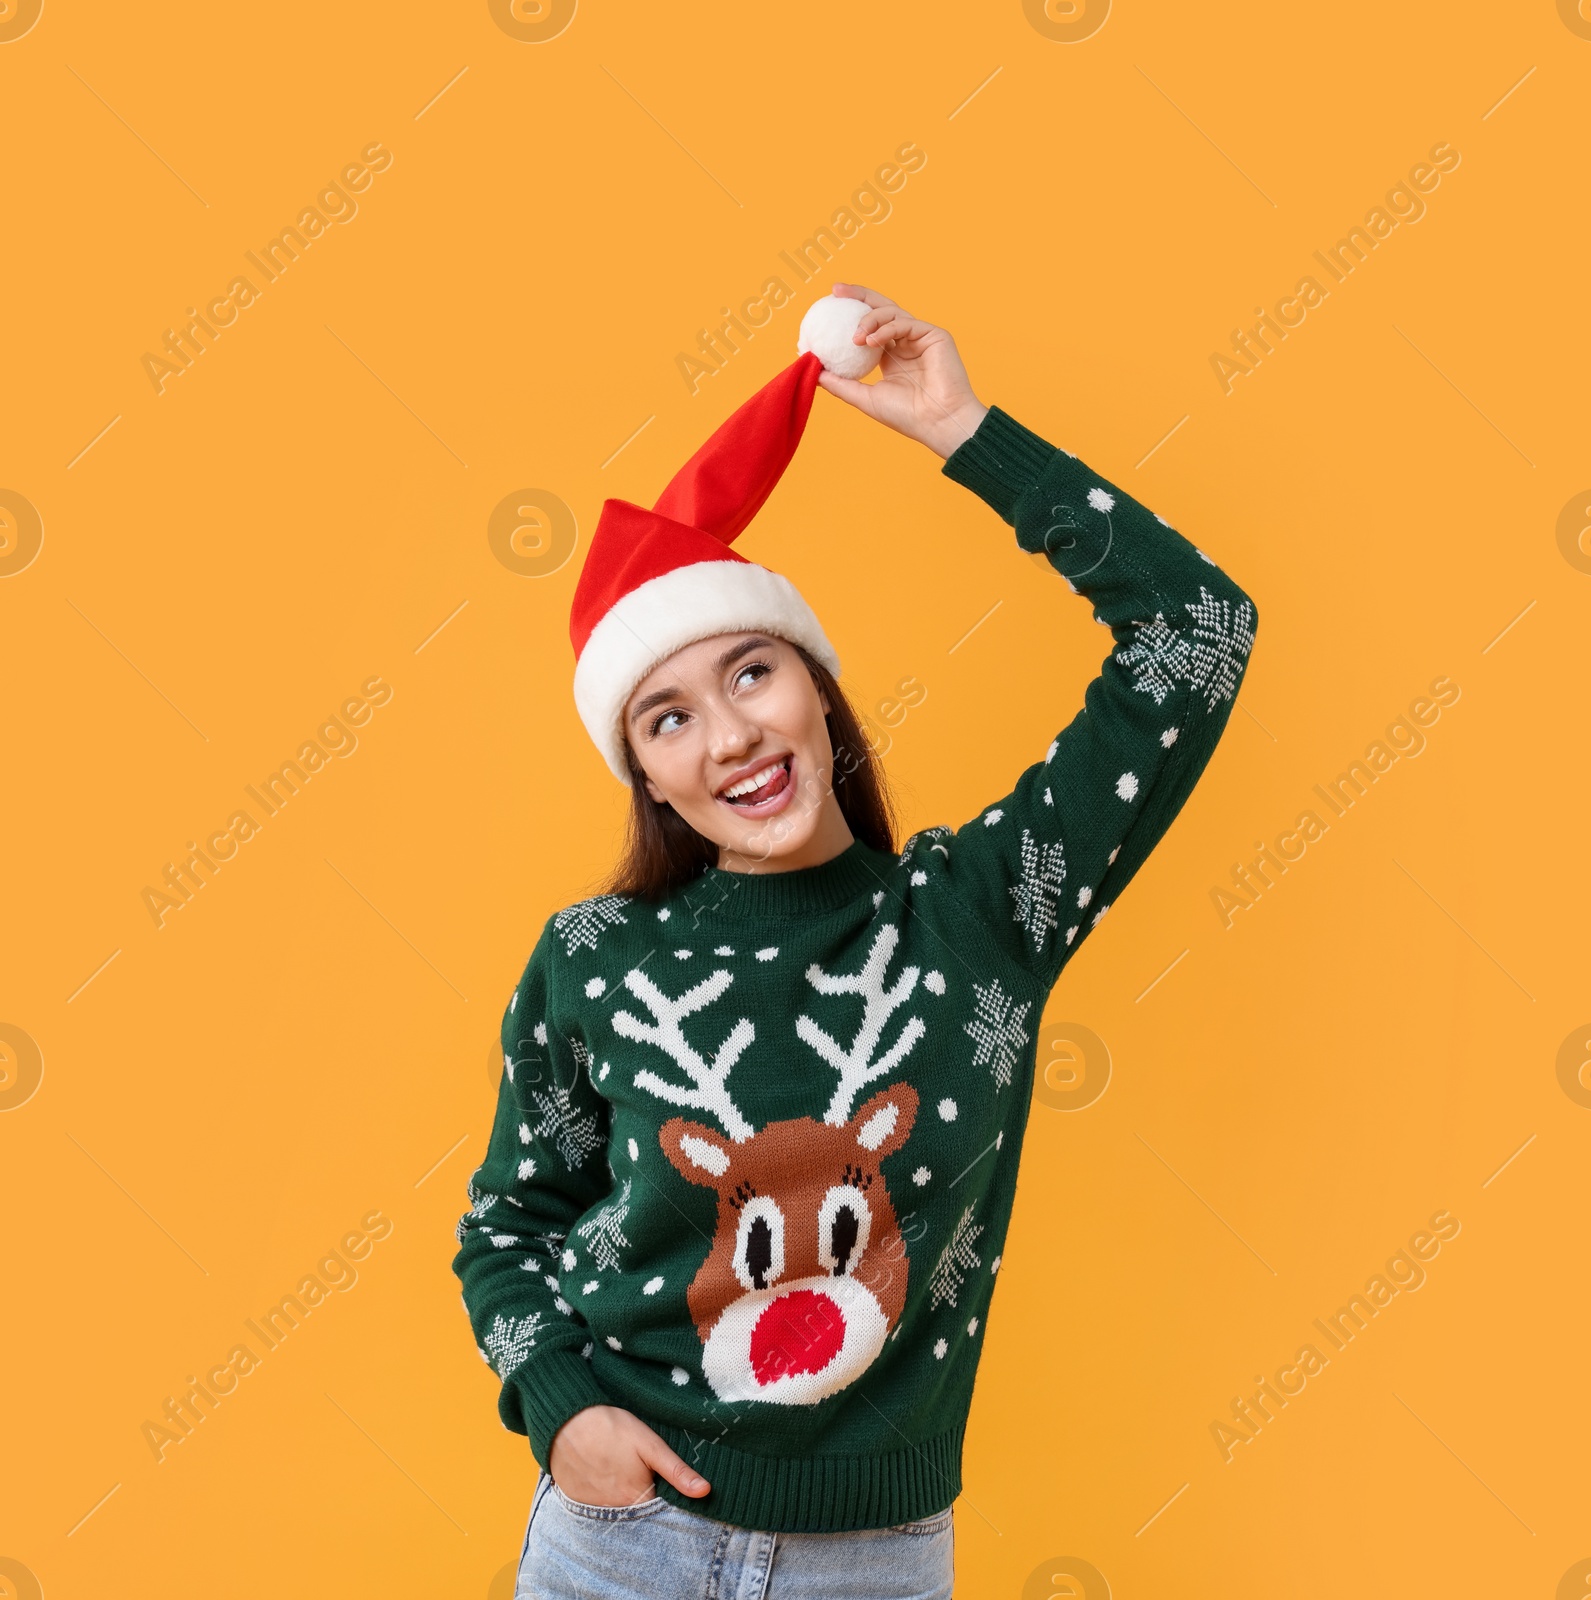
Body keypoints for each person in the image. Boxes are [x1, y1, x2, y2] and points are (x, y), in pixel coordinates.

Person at [453, 284, 1259, 1599]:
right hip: (618, 1543)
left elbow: (1198, 634)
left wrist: (964, 430)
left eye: (752, 674)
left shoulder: (986, 909)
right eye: (665, 718)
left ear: (819, 692)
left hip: (873, 1564)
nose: (728, 738)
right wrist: (560, 1409)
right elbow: (509, 1223)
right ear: (647, 777)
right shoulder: (594, 953)